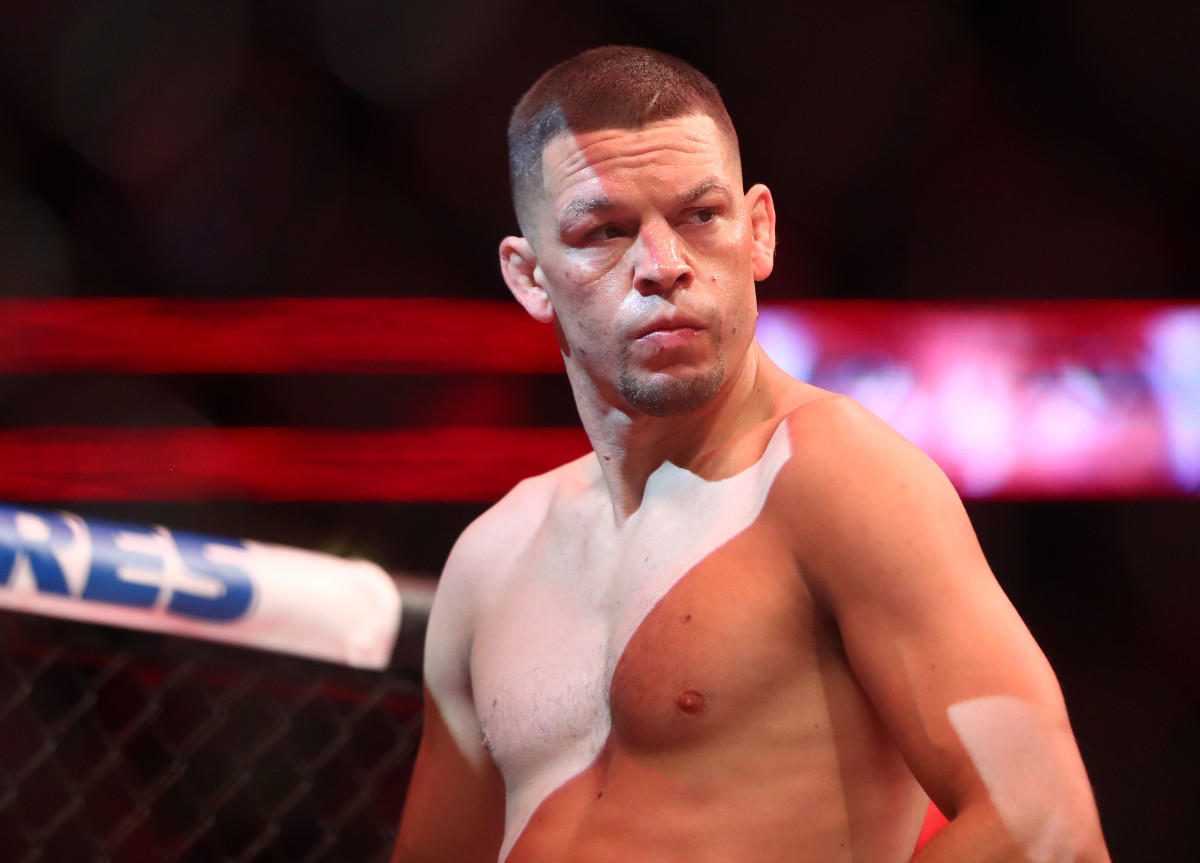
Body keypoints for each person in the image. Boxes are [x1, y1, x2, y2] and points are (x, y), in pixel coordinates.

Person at [393, 46, 1111, 863]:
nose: (663, 268)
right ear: (529, 277)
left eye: (700, 216)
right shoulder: (491, 561)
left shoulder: (835, 477)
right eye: (604, 231)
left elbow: (1046, 826)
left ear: (759, 230)